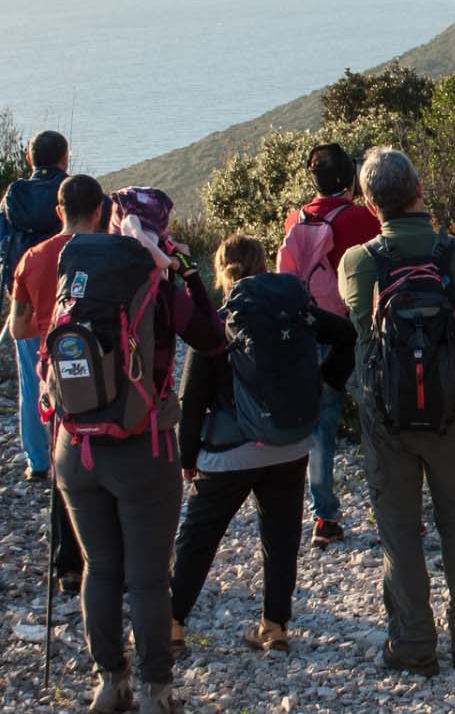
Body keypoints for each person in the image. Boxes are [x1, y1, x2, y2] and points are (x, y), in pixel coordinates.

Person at [341, 146, 455, 675]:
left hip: (386, 415)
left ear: (372, 205)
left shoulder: (360, 261)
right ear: (419, 190)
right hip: (449, 409)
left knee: (399, 528)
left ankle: (412, 645)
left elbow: (358, 325)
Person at [52, 185, 226, 714]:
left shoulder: (74, 268)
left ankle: (111, 683)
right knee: (148, 576)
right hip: (142, 447)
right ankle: (155, 692)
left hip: (74, 445)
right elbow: (213, 338)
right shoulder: (157, 279)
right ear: (162, 229)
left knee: (100, 568)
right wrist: (187, 271)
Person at [169, 235, 356, 655]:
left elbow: (193, 397)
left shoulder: (223, 320)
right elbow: (346, 333)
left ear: (221, 271)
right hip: (290, 444)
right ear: (264, 264)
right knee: (281, 533)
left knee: (200, 536)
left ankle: (172, 627)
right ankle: (275, 629)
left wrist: (186, 456)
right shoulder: (296, 312)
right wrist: (327, 383)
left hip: (231, 451)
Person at [276, 142, 380, 549]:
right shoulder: (360, 219)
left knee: (321, 427)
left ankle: (324, 515)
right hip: (353, 331)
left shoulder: (295, 218)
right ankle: (392, 507)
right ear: (350, 179)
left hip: (309, 332)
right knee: (378, 419)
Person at [7, 173, 101, 590]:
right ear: (99, 211)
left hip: (56, 375)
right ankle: (109, 557)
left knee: (65, 466)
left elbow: (17, 328)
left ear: (58, 211)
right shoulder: (115, 253)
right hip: (107, 369)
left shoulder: (33, 257)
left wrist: (48, 326)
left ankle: (68, 564)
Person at [0, 130, 69, 480]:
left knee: (31, 380)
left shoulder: (14, 197)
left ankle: (37, 461)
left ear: (28, 158)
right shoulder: (72, 191)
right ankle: (73, 449)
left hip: (27, 304)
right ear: (65, 158)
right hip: (71, 300)